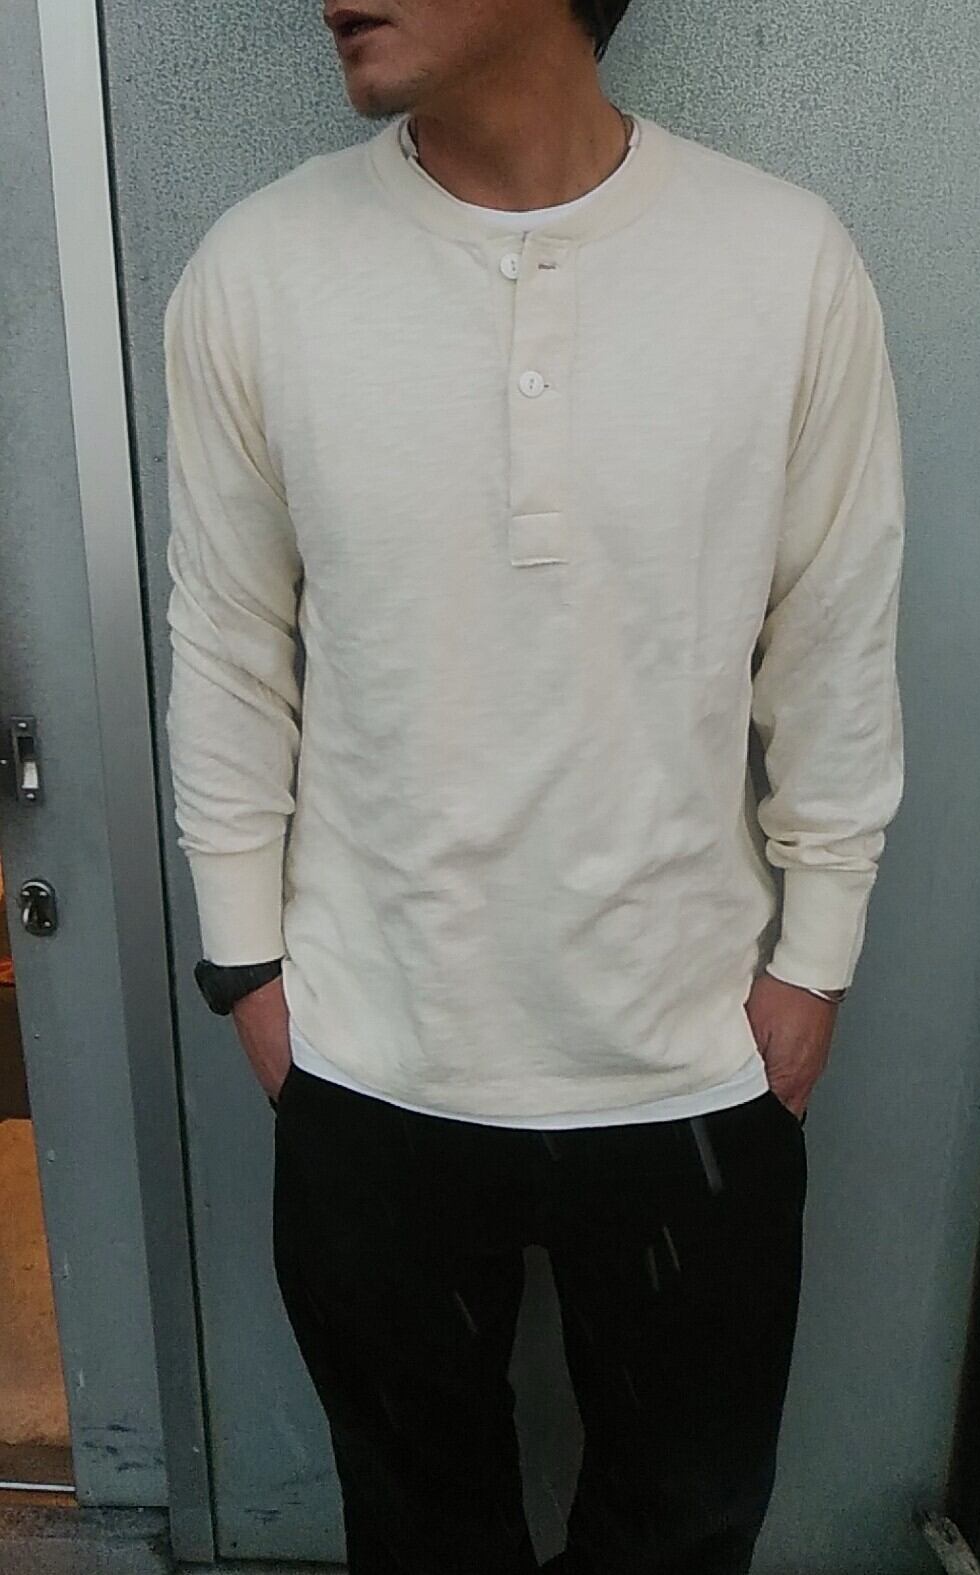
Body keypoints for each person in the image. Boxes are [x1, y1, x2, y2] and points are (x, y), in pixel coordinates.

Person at [163, 1, 905, 1569]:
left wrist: (818, 953)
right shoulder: (260, 271)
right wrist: (249, 969)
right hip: (369, 1059)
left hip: (689, 1063)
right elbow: (227, 641)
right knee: (419, 1534)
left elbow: (835, 628)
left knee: (683, 1529)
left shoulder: (784, 266)